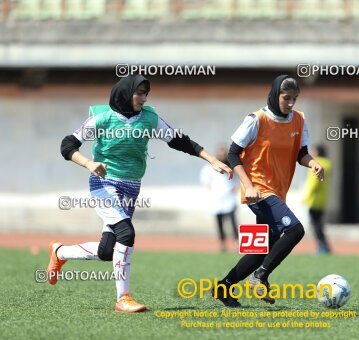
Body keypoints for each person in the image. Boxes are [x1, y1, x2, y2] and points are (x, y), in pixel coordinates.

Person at [48, 75, 232, 312]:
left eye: (146, 94)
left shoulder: (149, 118)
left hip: (132, 186)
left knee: (107, 251)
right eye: (139, 93)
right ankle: (123, 298)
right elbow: (67, 144)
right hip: (104, 184)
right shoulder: (102, 117)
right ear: (126, 93)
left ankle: (60, 251)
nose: (143, 98)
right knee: (126, 233)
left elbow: (179, 140)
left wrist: (212, 160)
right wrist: (88, 164)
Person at [212, 75, 324, 307]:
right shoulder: (257, 119)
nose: (291, 103)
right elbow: (233, 153)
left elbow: (300, 153)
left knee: (263, 250)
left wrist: (312, 162)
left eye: (295, 98)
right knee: (295, 229)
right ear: (275, 95)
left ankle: (223, 287)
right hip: (258, 190)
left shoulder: (299, 120)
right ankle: (260, 277)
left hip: (277, 191)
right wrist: (248, 185)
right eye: (286, 98)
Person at [200, 145, 238, 252]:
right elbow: (206, 182)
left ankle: (236, 243)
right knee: (219, 222)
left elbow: (236, 181)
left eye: (224, 154)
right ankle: (222, 244)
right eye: (220, 154)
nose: (222, 156)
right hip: (217, 199)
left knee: (233, 221)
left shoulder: (232, 167)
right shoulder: (209, 168)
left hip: (229, 199)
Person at [303, 145, 332, 254]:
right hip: (323, 198)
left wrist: (306, 197)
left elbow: (313, 182)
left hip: (314, 199)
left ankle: (322, 247)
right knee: (319, 224)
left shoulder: (317, 163)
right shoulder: (328, 163)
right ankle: (324, 246)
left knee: (316, 226)